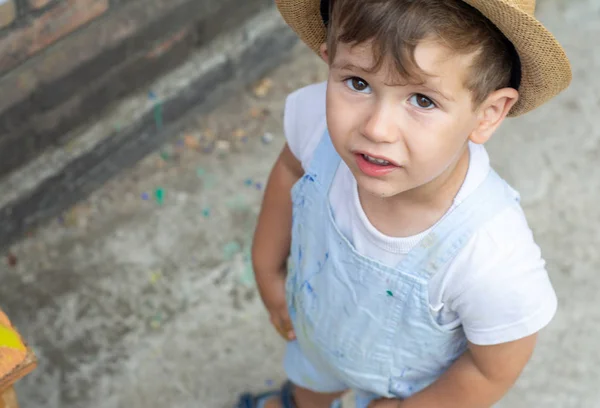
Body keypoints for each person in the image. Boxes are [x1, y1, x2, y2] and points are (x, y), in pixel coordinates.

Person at [240, 0, 572, 407]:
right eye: (358, 83)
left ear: (487, 114)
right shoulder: (317, 123)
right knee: (310, 386)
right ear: (330, 62)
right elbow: (291, 171)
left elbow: (494, 367)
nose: (376, 129)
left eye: (422, 100)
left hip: (408, 386)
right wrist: (266, 265)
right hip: (317, 328)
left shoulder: (490, 254)